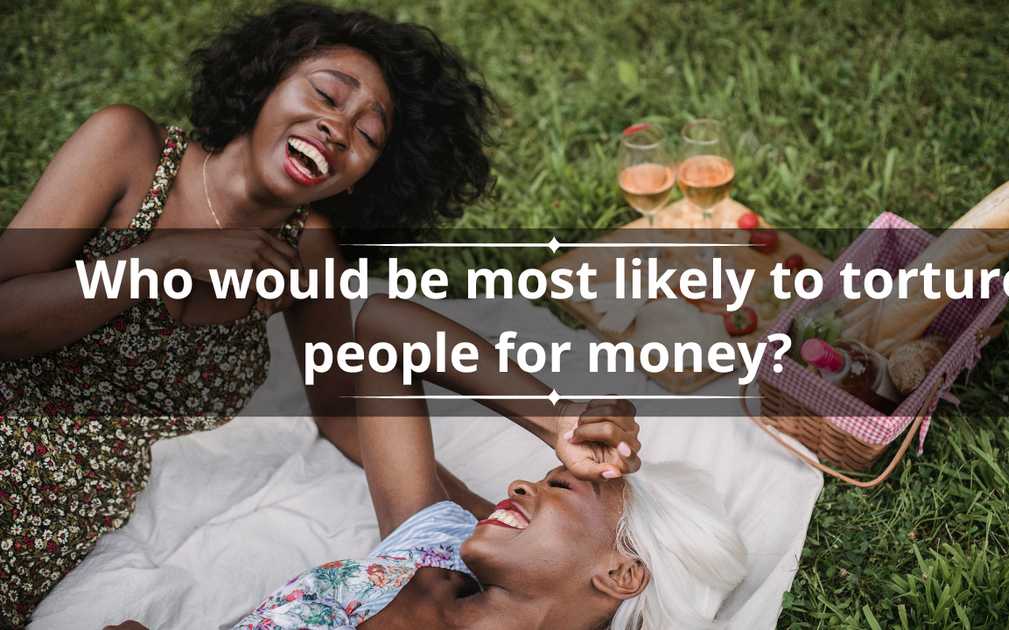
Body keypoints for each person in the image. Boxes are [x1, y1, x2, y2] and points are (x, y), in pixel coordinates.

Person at [0, 3, 497, 624]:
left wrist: (477, 511)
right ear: (265, 83)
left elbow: (342, 412)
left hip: (75, 503)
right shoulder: (128, 149)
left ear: (362, 181)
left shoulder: (305, 247)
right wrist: (161, 258)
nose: (337, 128)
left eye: (369, 136)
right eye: (325, 94)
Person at [110, 297, 750, 629]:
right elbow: (383, 332)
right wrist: (555, 418)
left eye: (560, 486)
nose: (522, 482)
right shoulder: (439, 551)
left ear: (619, 573)